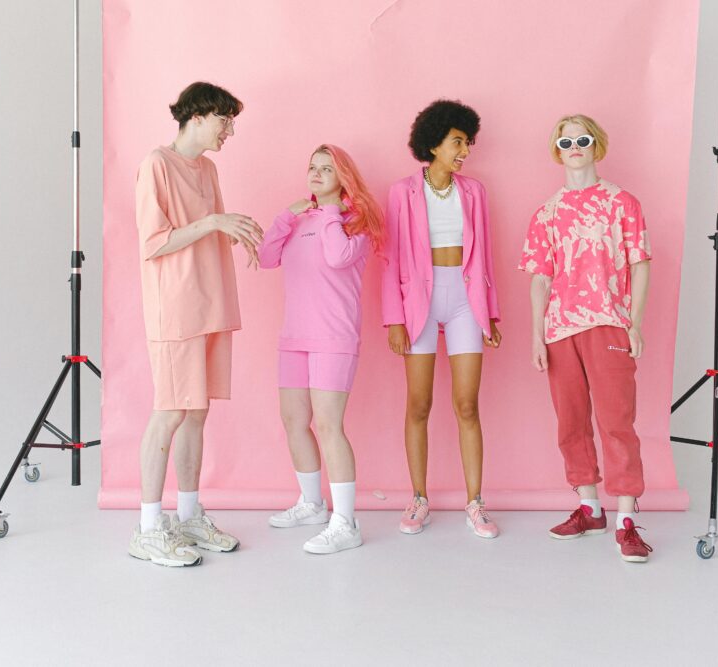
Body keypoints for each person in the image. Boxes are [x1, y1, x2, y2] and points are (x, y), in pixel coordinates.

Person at [129, 82, 264, 567]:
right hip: (175, 309)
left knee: (197, 412)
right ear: (200, 115)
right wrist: (214, 222)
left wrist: (234, 233)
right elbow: (155, 242)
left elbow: (210, 228)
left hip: (210, 304)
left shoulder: (207, 168)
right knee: (169, 411)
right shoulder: (156, 165)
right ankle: (148, 528)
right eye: (226, 120)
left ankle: (187, 515)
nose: (230, 130)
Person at [518, 114, 653, 563]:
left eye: (583, 139)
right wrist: (537, 334)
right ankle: (589, 507)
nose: (575, 145)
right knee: (571, 422)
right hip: (560, 329)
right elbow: (539, 278)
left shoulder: (622, 203)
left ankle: (627, 520)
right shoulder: (547, 213)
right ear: (557, 150)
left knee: (617, 422)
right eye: (566, 140)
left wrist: (634, 322)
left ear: (597, 145)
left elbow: (640, 264)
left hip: (609, 322)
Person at [381, 99, 502, 538]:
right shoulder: (401, 192)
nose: (465, 149)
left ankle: (476, 503)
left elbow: (485, 253)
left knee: (468, 405)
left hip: (466, 299)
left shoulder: (475, 191)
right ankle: (419, 499)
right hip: (418, 305)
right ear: (434, 144)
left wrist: (491, 311)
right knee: (419, 404)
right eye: (457, 142)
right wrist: (394, 318)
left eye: (467, 142)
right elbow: (391, 258)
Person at [259, 144, 384, 554]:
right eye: (312, 166)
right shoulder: (300, 219)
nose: (316, 173)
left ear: (342, 176)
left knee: (330, 426)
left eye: (326, 168)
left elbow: (336, 258)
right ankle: (312, 503)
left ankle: (345, 523)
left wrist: (331, 211)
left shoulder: (356, 224)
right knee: (294, 421)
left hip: (334, 337)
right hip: (294, 337)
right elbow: (266, 258)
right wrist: (286, 216)